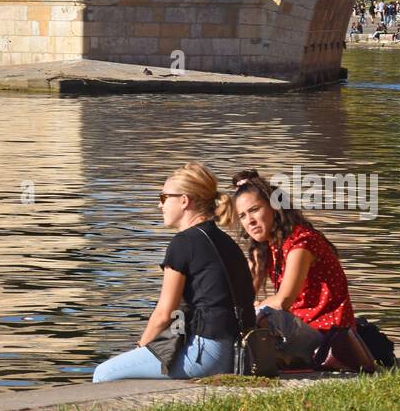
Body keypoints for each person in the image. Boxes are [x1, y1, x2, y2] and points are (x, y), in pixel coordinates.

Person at [93, 162, 254, 383]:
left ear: (184, 200)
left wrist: (141, 347)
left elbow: (164, 313)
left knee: (104, 373)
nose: (160, 206)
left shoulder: (183, 242)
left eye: (164, 198)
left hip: (207, 355)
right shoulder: (224, 241)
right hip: (237, 352)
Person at [223, 169, 356, 366]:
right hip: (302, 328)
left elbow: (284, 300)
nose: (249, 221)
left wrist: (255, 308)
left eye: (254, 210)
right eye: (242, 216)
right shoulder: (269, 246)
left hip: (328, 335)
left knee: (266, 314)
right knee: (239, 313)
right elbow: (244, 295)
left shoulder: (301, 241)